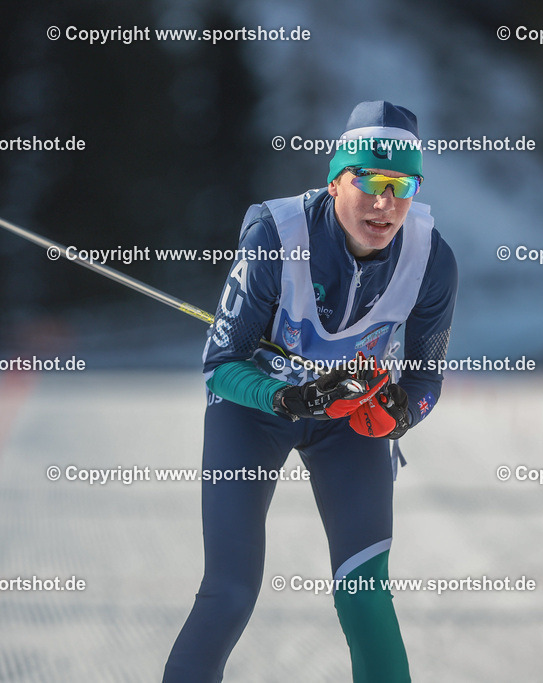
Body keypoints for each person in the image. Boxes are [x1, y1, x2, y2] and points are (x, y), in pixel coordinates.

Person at [163, 101, 458, 682]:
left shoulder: (431, 258)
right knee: (231, 590)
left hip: (348, 419)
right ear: (335, 179)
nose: (384, 204)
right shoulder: (277, 232)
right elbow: (221, 364)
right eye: (370, 181)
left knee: (365, 593)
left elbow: (425, 378)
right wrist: (283, 398)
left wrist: (401, 413)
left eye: (402, 185)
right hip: (254, 411)